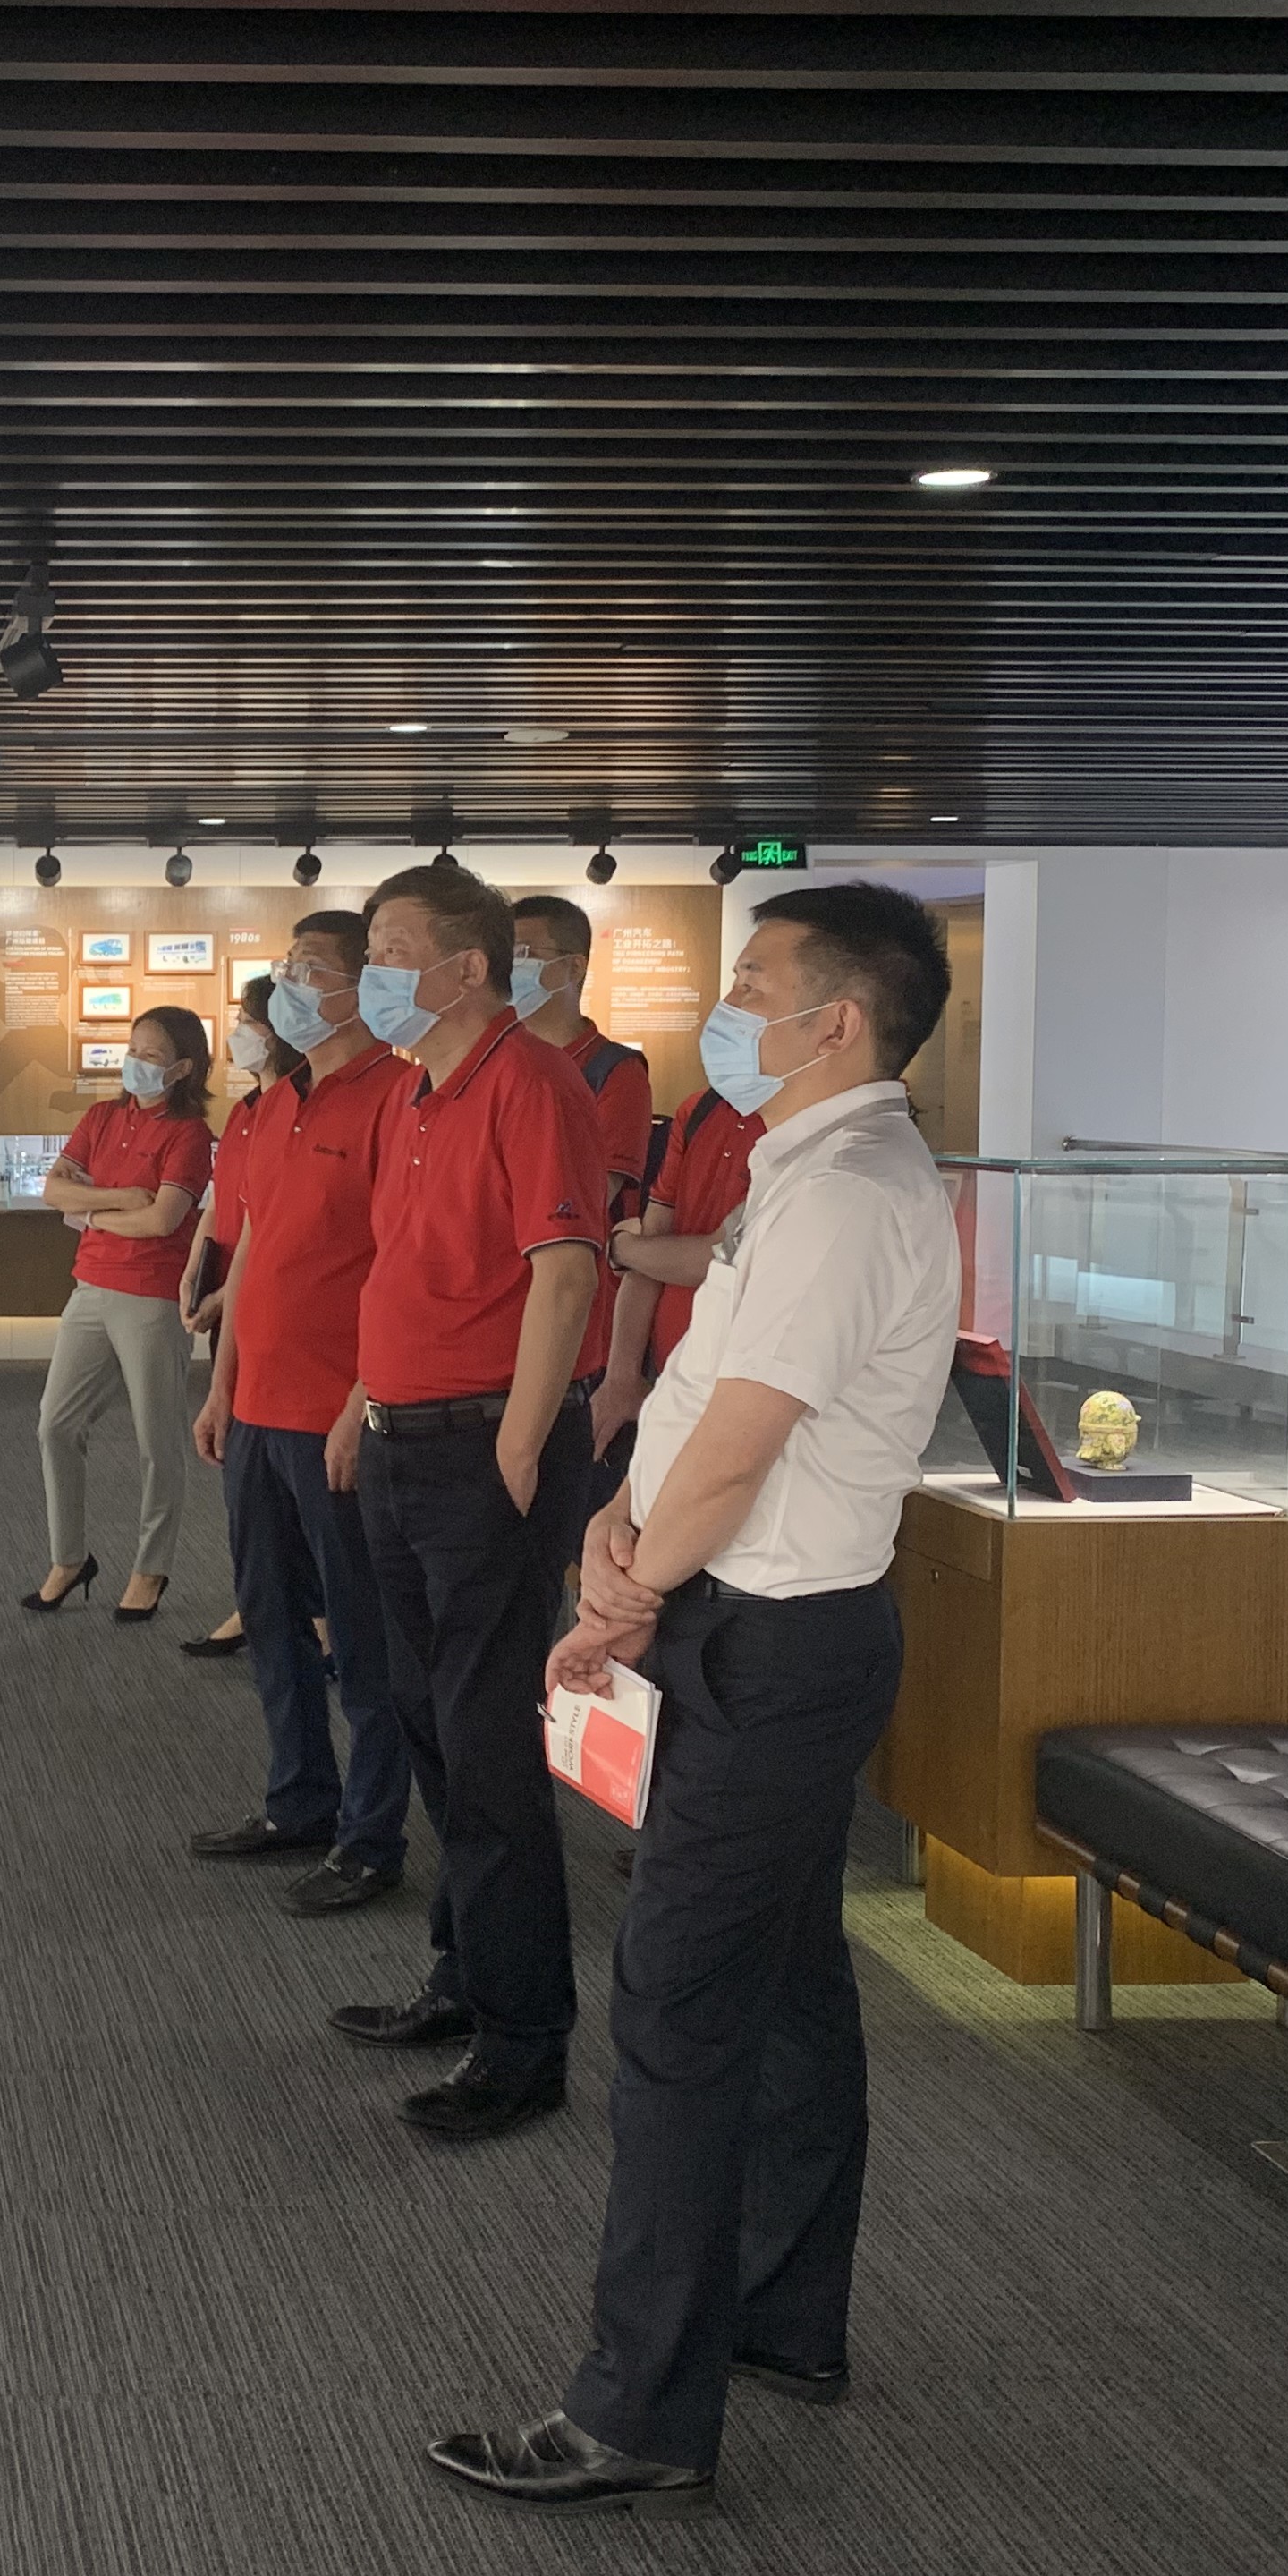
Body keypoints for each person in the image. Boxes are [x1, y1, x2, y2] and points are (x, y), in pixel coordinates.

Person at [431, 882, 958, 2515]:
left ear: (835, 1022)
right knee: (785, 1983)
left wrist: (624, 1590)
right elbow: (702, 1415)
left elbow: (744, 1442)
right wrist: (624, 1513)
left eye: (751, 985)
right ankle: (780, 2315)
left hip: (769, 1644)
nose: (725, 1012)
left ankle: (637, 2407)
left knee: (674, 2005)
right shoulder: (806, 1170)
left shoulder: (844, 1191)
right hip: (749, 1620)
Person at [320, 861, 611, 2141]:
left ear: (467, 967)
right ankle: (464, 1972)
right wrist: (361, 1401)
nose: (372, 971)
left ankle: (524, 2039)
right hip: (401, 1440)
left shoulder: (529, 1083)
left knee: (489, 1752)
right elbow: (400, 1266)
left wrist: (523, 1445)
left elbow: (566, 1274)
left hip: (485, 1450)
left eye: (392, 949)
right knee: (425, 1719)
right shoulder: (415, 1091)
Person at [189, 909, 415, 1913]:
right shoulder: (274, 1104)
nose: (288, 985)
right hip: (257, 1407)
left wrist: (362, 1404)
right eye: (285, 967)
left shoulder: (398, 1100)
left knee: (362, 1639)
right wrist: (221, 1386)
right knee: (273, 1621)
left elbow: (401, 1268)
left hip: (337, 1414)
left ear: (364, 985)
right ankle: (298, 1801)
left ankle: (371, 1836)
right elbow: (251, 1259)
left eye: (310, 969)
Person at [28, 1007, 216, 1623]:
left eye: (151, 1055)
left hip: (152, 1296)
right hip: (90, 1287)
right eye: (132, 1049)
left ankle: (150, 1568)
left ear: (182, 1068)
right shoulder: (102, 1118)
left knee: (156, 1441)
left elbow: (162, 1220)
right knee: (56, 1425)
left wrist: (88, 1213)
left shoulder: (188, 1135)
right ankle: (69, 1558)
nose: (135, 1063)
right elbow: (53, 1190)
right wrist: (115, 1202)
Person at [174, 978, 299, 1661]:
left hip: (271, 1306)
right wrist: (199, 1272)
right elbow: (226, 1204)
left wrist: (232, 1292)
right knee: (244, 1474)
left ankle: (307, 1616)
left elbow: (274, 1223)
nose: (239, 1032)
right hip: (232, 1299)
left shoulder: (299, 1104)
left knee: (284, 1476)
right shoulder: (249, 1109)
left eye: (248, 1020)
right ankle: (257, 1602)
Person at [511, 894, 653, 1489]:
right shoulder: (505, 1065)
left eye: (524, 953)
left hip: (577, 1322)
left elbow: (590, 1193)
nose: (509, 967)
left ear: (572, 967)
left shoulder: (613, 1070)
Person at [591, 1082, 764, 1462]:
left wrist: (621, 1248)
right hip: (667, 1379)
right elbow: (655, 1242)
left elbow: (720, 1259)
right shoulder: (699, 1109)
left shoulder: (795, 1126)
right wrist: (621, 1378)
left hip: (741, 1387)